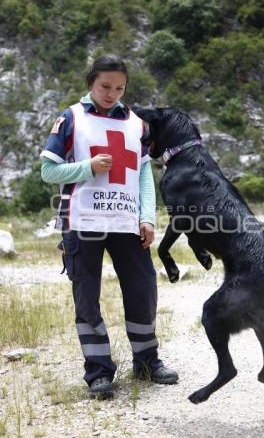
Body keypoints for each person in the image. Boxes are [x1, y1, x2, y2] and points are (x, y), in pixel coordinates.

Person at [40, 54, 178, 398]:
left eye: (119, 87)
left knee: (144, 292)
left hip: (126, 223)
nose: (112, 93)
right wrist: (87, 167)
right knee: (87, 297)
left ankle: (147, 362)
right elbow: (49, 171)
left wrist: (147, 216)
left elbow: (144, 172)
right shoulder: (70, 118)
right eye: (105, 86)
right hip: (82, 222)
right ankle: (99, 372)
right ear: (91, 82)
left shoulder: (136, 124)